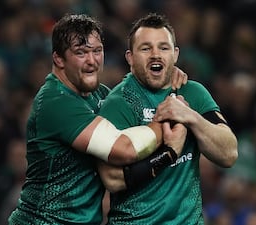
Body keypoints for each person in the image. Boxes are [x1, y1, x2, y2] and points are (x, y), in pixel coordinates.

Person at [8, 14, 188, 225]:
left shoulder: (99, 94)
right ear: (58, 59)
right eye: (81, 52)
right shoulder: (56, 102)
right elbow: (124, 149)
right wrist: (171, 118)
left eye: (97, 51)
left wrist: (165, 74)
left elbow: (133, 98)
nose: (92, 61)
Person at [97, 13, 238, 225]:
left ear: (175, 54)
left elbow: (229, 154)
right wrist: (168, 153)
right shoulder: (118, 103)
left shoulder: (193, 92)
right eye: (146, 48)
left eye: (163, 48)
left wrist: (190, 117)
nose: (156, 54)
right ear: (130, 58)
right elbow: (112, 179)